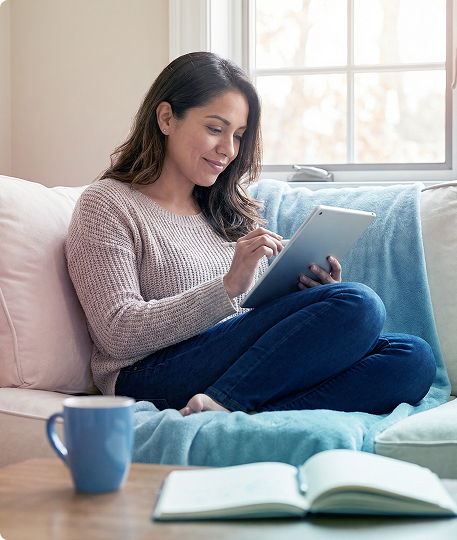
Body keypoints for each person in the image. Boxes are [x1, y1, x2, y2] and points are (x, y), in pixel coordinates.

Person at [65, 52, 436, 417]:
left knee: (413, 358)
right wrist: (227, 287)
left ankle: (231, 404)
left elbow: (259, 317)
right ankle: (233, 399)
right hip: (147, 373)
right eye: (215, 129)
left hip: (236, 363)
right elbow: (117, 332)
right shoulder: (107, 204)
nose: (228, 149)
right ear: (166, 118)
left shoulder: (225, 209)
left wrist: (313, 295)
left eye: (239, 136)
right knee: (359, 304)